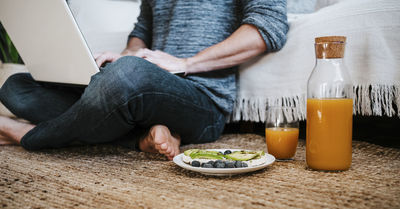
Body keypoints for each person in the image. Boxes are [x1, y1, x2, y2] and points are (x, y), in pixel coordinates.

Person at [0, 0, 288, 160]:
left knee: (127, 75)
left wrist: (186, 63)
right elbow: (140, 37)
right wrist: (124, 56)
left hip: (204, 102)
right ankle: (140, 139)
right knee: (17, 88)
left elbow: (268, 28)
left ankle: (31, 136)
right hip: (147, 89)